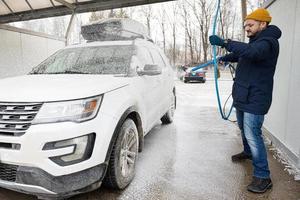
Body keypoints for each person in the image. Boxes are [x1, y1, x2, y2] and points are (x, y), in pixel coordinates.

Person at [209, 8, 281, 193]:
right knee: (243, 129)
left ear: (263, 24)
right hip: (243, 95)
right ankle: (248, 153)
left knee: (253, 135)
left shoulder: (269, 42)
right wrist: (225, 57)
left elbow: (252, 52)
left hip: (256, 98)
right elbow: (243, 53)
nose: (246, 28)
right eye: (245, 25)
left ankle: (263, 177)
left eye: (250, 24)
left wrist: (225, 42)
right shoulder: (255, 42)